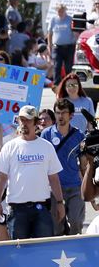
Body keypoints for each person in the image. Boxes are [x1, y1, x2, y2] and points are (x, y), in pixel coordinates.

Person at [0, 105, 65, 239]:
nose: (24, 123)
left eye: (28, 120)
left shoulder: (46, 146)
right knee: (20, 251)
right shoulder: (10, 147)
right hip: (17, 209)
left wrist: (60, 203)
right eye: (22, 119)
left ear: (36, 122)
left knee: (43, 250)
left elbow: (53, 177)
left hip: (41, 208)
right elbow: (1, 177)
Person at [40, 99, 87, 235]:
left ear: (71, 115)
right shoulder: (46, 134)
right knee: (56, 228)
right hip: (54, 188)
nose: (60, 116)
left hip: (74, 186)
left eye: (64, 113)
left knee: (76, 223)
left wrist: (87, 190)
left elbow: (84, 165)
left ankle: (75, 253)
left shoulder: (79, 136)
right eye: (57, 112)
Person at [47, 3, 76, 87]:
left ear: (65, 10)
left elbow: (75, 32)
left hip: (69, 46)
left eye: (62, 11)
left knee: (68, 67)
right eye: (58, 11)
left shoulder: (70, 19)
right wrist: (49, 46)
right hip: (57, 47)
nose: (60, 12)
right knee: (57, 66)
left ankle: (69, 83)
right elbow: (50, 33)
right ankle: (56, 85)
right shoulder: (53, 19)